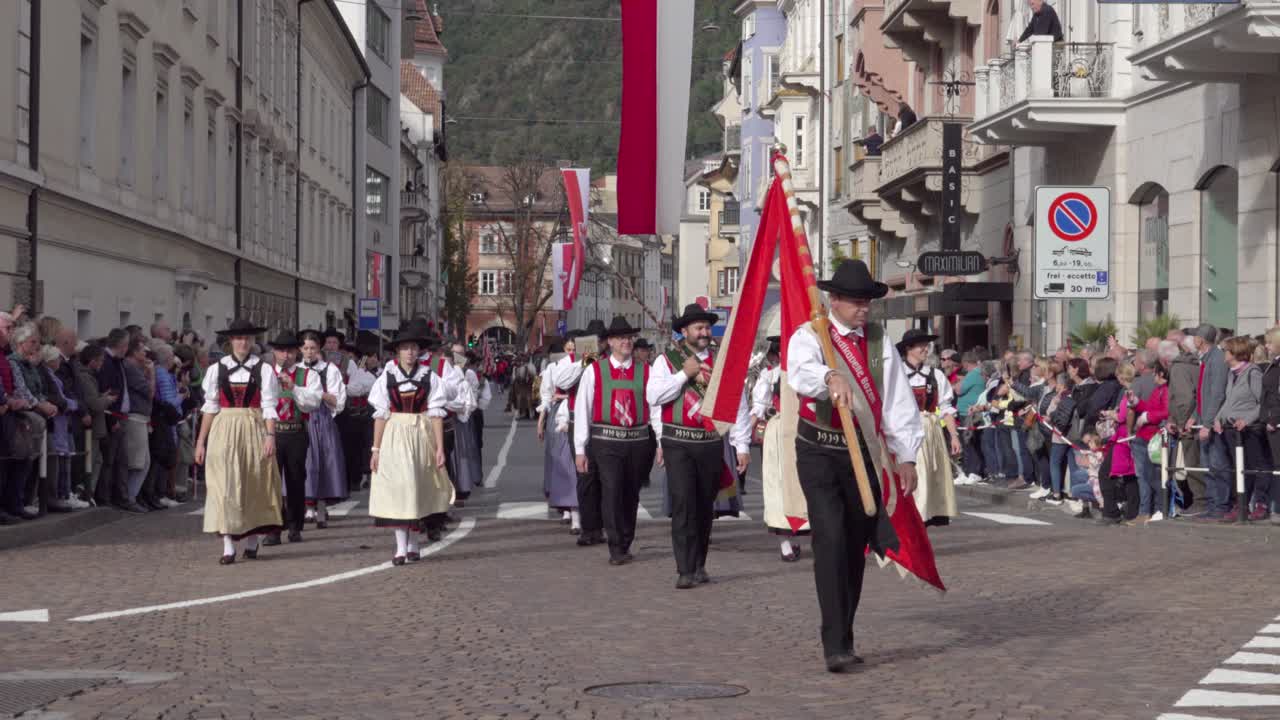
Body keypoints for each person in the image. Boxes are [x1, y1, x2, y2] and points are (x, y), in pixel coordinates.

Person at [785, 260, 923, 673]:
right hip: (819, 452)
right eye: (857, 301)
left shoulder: (880, 342)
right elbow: (800, 372)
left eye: (868, 302)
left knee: (854, 544)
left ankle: (846, 631)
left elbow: (898, 402)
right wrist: (829, 377)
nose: (865, 309)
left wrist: (907, 456)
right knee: (829, 537)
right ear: (835, 300)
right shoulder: (810, 335)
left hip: (861, 452)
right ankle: (833, 642)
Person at [647, 304, 752, 589]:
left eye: (707, 327)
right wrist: (684, 374)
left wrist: (741, 444)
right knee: (683, 504)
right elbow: (654, 396)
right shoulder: (666, 361)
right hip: (677, 443)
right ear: (684, 332)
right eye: (698, 328)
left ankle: (699, 564)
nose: (704, 332)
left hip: (709, 443)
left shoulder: (722, 361)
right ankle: (684, 568)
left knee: (705, 506)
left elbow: (737, 403)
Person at [194, 319, 285, 565]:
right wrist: (201, 441)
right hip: (224, 428)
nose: (242, 342)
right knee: (223, 484)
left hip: (253, 426)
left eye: (246, 338)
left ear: (252, 341)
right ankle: (228, 545)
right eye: (238, 338)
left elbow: (269, 406)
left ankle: (252, 540)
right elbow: (210, 407)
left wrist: (270, 436)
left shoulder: (263, 369)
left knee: (254, 481)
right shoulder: (217, 369)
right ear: (230, 342)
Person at [368, 318, 452, 565]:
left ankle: (414, 544)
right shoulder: (387, 376)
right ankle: (400, 547)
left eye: (414, 348)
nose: (410, 352)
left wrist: (439, 448)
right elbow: (380, 415)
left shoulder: (429, 377)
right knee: (399, 489)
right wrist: (376, 449)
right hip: (395, 435)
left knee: (417, 488)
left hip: (420, 434)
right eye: (405, 348)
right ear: (397, 351)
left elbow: (436, 414)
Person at [574, 316, 656, 567]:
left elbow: (656, 409)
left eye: (629, 338)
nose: (626, 342)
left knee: (631, 493)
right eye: (621, 338)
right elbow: (582, 409)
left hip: (638, 441)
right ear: (610, 342)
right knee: (611, 490)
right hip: (606, 442)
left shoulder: (646, 370)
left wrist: (661, 442)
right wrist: (580, 448)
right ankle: (616, 546)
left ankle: (626, 539)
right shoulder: (594, 370)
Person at [753, 336, 809, 561]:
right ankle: (785, 543)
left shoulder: (808, 373)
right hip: (779, 432)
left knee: (808, 483)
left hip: (805, 429)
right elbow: (759, 406)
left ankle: (817, 536)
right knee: (778, 485)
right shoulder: (770, 375)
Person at [896, 329, 960, 526]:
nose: (926, 349)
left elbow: (946, 408)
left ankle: (926, 514)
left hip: (930, 431)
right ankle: (913, 514)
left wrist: (954, 436)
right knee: (915, 472)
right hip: (906, 429)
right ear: (908, 348)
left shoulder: (936, 375)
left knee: (930, 474)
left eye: (927, 344)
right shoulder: (897, 374)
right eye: (921, 345)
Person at [263, 332, 322, 545]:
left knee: (296, 479)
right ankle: (274, 529)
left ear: (296, 351)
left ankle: (295, 526)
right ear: (274, 352)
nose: (285, 355)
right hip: (272, 433)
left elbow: (313, 402)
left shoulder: (307, 374)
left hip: (296, 431)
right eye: (281, 350)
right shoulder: (265, 373)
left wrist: (294, 387)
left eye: (289, 350)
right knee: (272, 481)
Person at [296, 330, 348, 529]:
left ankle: (320, 507)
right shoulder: (297, 370)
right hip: (302, 418)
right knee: (306, 463)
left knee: (324, 463)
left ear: (319, 349)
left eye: (313, 348)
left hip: (322, 418)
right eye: (306, 348)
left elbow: (338, 401)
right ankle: (307, 506)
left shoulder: (329, 370)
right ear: (301, 349)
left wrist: (319, 393)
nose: (309, 352)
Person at [1215, 336, 1267, 520]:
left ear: (1235, 353)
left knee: (1251, 467)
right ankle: (1240, 505)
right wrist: (1218, 418)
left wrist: (1247, 419)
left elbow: (1262, 403)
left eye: (1226, 351)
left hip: (1248, 430)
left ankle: (1256, 504)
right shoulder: (1232, 373)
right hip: (1230, 430)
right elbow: (1229, 401)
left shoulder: (1253, 373)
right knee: (1236, 468)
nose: (1224, 354)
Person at [1190, 323, 1232, 520]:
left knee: (1217, 465)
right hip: (1204, 419)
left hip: (1213, 423)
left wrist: (1207, 423)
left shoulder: (1216, 359)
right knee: (1208, 466)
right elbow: (1202, 393)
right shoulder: (1206, 359)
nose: (1192, 339)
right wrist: (1195, 417)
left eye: (1195, 336)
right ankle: (1213, 504)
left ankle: (1221, 506)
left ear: (1201, 339)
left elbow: (1217, 394)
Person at [540, 335, 581, 530]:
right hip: (560, 413)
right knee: (562, 461)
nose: (572, 352)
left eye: (575, 348)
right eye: (570, 348)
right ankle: (568, 508)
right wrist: (541, 421)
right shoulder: (555, 367)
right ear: (565, 349)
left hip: (580, 411)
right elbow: (547, 395)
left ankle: (576, 510)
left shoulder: (588, 362)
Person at [1131, 364, 1170, 521]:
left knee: (1154, 475)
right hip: (1145, 435)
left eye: (1155, 374)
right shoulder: (1158, 390)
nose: (1153, 378)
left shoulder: (1166, 390)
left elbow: (1166, 410)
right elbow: (1150, 407)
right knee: (1147, 475)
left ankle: (1160, 508)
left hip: (1154, 437)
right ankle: (1147, 509)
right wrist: (1137, 403)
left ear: (1161, 374)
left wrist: (1148, 417)